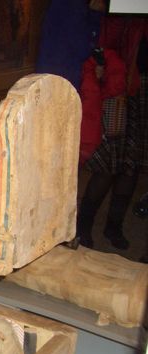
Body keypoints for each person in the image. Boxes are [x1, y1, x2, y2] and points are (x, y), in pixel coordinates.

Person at [76, 17, 148, 250]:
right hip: (116, 87)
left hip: (142, 92)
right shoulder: (123, 14)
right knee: (107, 164)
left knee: (131, 166)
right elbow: (104, 42)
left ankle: (114, 227)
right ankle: (83, 227)